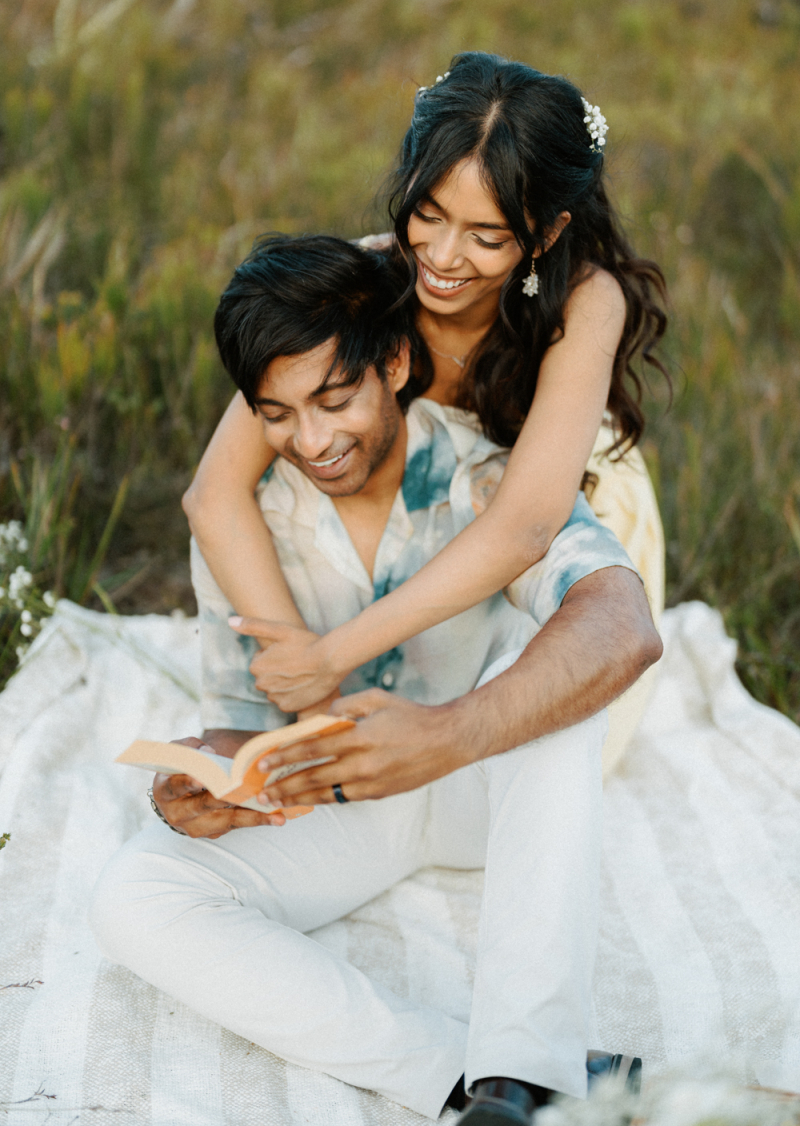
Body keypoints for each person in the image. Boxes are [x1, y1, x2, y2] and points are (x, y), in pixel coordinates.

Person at [90, 235, 662, 1125]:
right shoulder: (252, 520)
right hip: (351, 800)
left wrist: (451, 732)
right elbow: (247, 725)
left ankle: (526, 1069)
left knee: (557, 660)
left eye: (333, 398)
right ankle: (460, 1079)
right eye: (276, 414)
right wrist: (208, 781)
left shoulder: (487, 480)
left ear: (395, 363)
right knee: (134, 898)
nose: (311, 441)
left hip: (483, 780)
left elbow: (624, 629)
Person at [181, 51, 667, 773]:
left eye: (487, 236)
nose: (441, 257)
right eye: (428, 214)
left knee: (532, 748)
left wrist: (336, 653)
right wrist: (304, 675)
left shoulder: (586, 301)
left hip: (553, 506)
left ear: (544, 233)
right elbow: (214, 492)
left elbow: (527, 526)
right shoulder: (359, 282)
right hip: (406, 528)